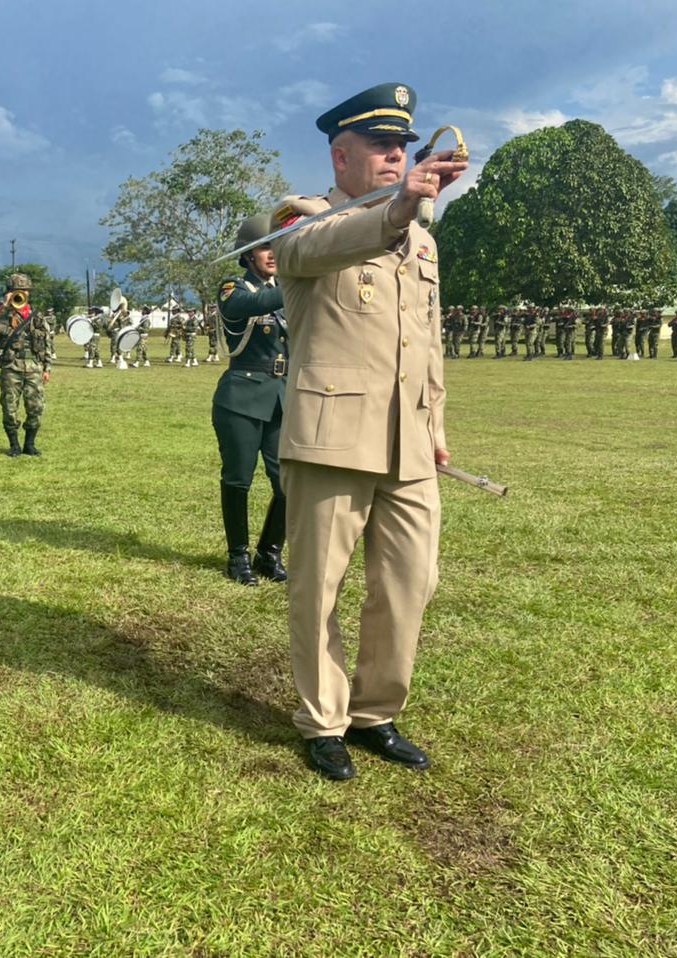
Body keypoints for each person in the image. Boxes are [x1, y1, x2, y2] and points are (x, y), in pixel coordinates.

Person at [269, 82, 466, 781]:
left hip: (407, 440)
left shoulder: (422, 242)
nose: (395, 156)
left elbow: (427, 343)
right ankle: (322, 719)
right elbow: (312, 251)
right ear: (341, 155)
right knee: (317, 587)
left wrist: (436, 423)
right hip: (330, 437)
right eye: (381, 147)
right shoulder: (302, 220)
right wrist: (399, 205)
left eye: (403, 146)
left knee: (411, 581)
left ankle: (375, 712)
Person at [214, 213, 290, 586]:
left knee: (288, 482)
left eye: (277, 245)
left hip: (279, 398)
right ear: (247, 255)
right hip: (241, 397)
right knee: (238, 479)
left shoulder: (283, 291)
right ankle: (238, 555)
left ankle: (269, 552)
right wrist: (299, 283)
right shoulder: (233, 287)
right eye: (264, 246)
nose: (272, 253)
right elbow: (242, 308)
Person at [0, 273, 52, 456]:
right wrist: (5, 305)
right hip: (12, 367)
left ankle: (30, 444)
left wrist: (46, 367)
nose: (22, 293)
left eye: (25, 290)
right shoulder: (3, 314)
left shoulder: (37, 316)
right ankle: (14, 445)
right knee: (10, 408)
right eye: (17, 290)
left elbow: (47, 342)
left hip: (33, 366)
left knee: (36, 407)